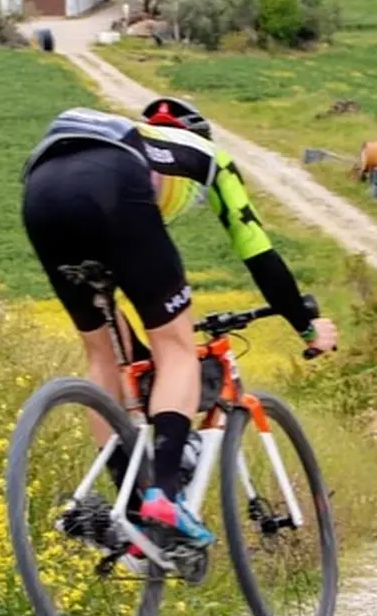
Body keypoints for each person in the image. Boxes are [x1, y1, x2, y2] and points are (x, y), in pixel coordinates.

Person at [20, 97, 339, 549]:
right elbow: (260, 255)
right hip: (114, 184)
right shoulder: (208, 157)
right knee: (176, 350)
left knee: (106, 356)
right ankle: (163, 498)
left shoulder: (135, 138)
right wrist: (306, 326)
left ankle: (125, 513)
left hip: (40, 190)